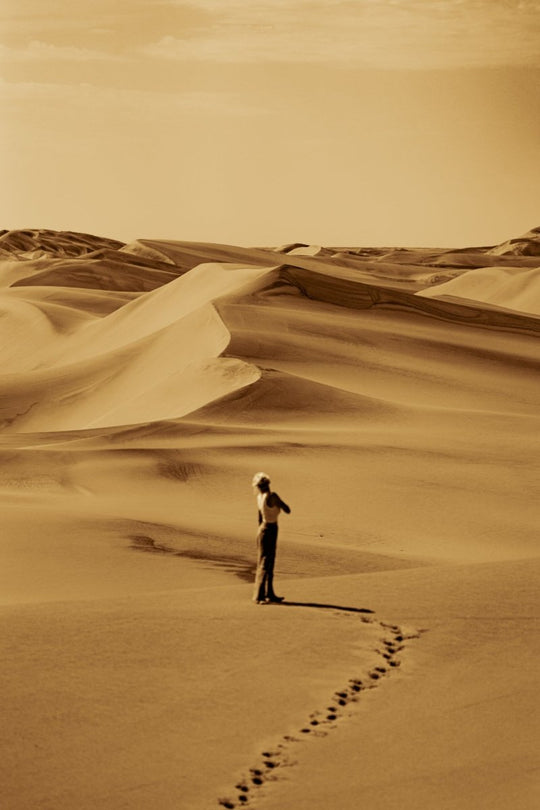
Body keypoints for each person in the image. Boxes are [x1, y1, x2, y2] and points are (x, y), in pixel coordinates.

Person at [252, 472, 291, 604]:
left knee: (268, 562)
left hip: (263, 529)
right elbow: (287, 509)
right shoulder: (272, 496)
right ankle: (259, 596)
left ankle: (269, 593)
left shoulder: (259, 497)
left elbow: (259, 517)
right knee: (265, 563)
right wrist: (279, 502)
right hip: (270, 529)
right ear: (268, 484)